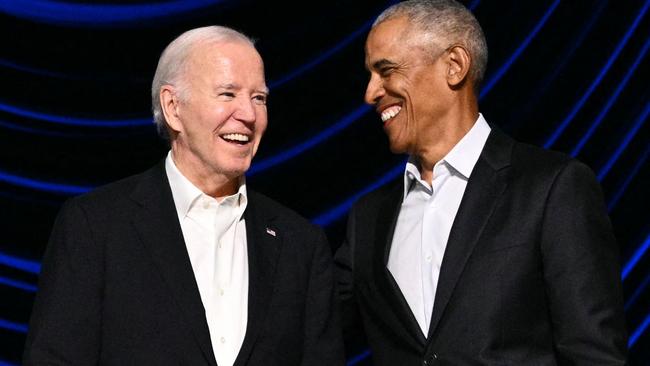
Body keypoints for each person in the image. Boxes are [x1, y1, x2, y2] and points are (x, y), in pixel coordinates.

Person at [24, 25, 344, 366]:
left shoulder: (301, 245)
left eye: (259, 98)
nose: (249, 115)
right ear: (173, 107)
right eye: (227, 94)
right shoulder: (95, 226)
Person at [334, 1, 628, 365]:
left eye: (386, 70)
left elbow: (594, 355)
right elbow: (308, 327)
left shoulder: (551, 188)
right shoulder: (369, 219)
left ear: (454, 66)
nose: (370, 92)